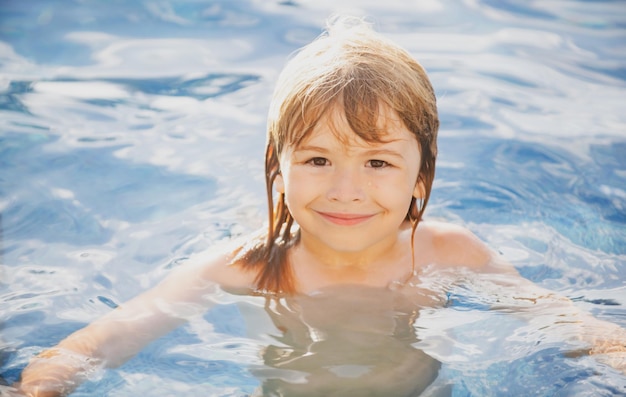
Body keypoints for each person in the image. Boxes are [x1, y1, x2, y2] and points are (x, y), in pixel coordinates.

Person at [13, 16, 626, 397]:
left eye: (378, 163)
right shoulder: (243, 267)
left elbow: (569, 324)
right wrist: (44, 383)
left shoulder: (448, 252)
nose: (346, 190)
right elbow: (105, 340)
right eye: (316, 160)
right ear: (278, 167)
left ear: (422, 175)